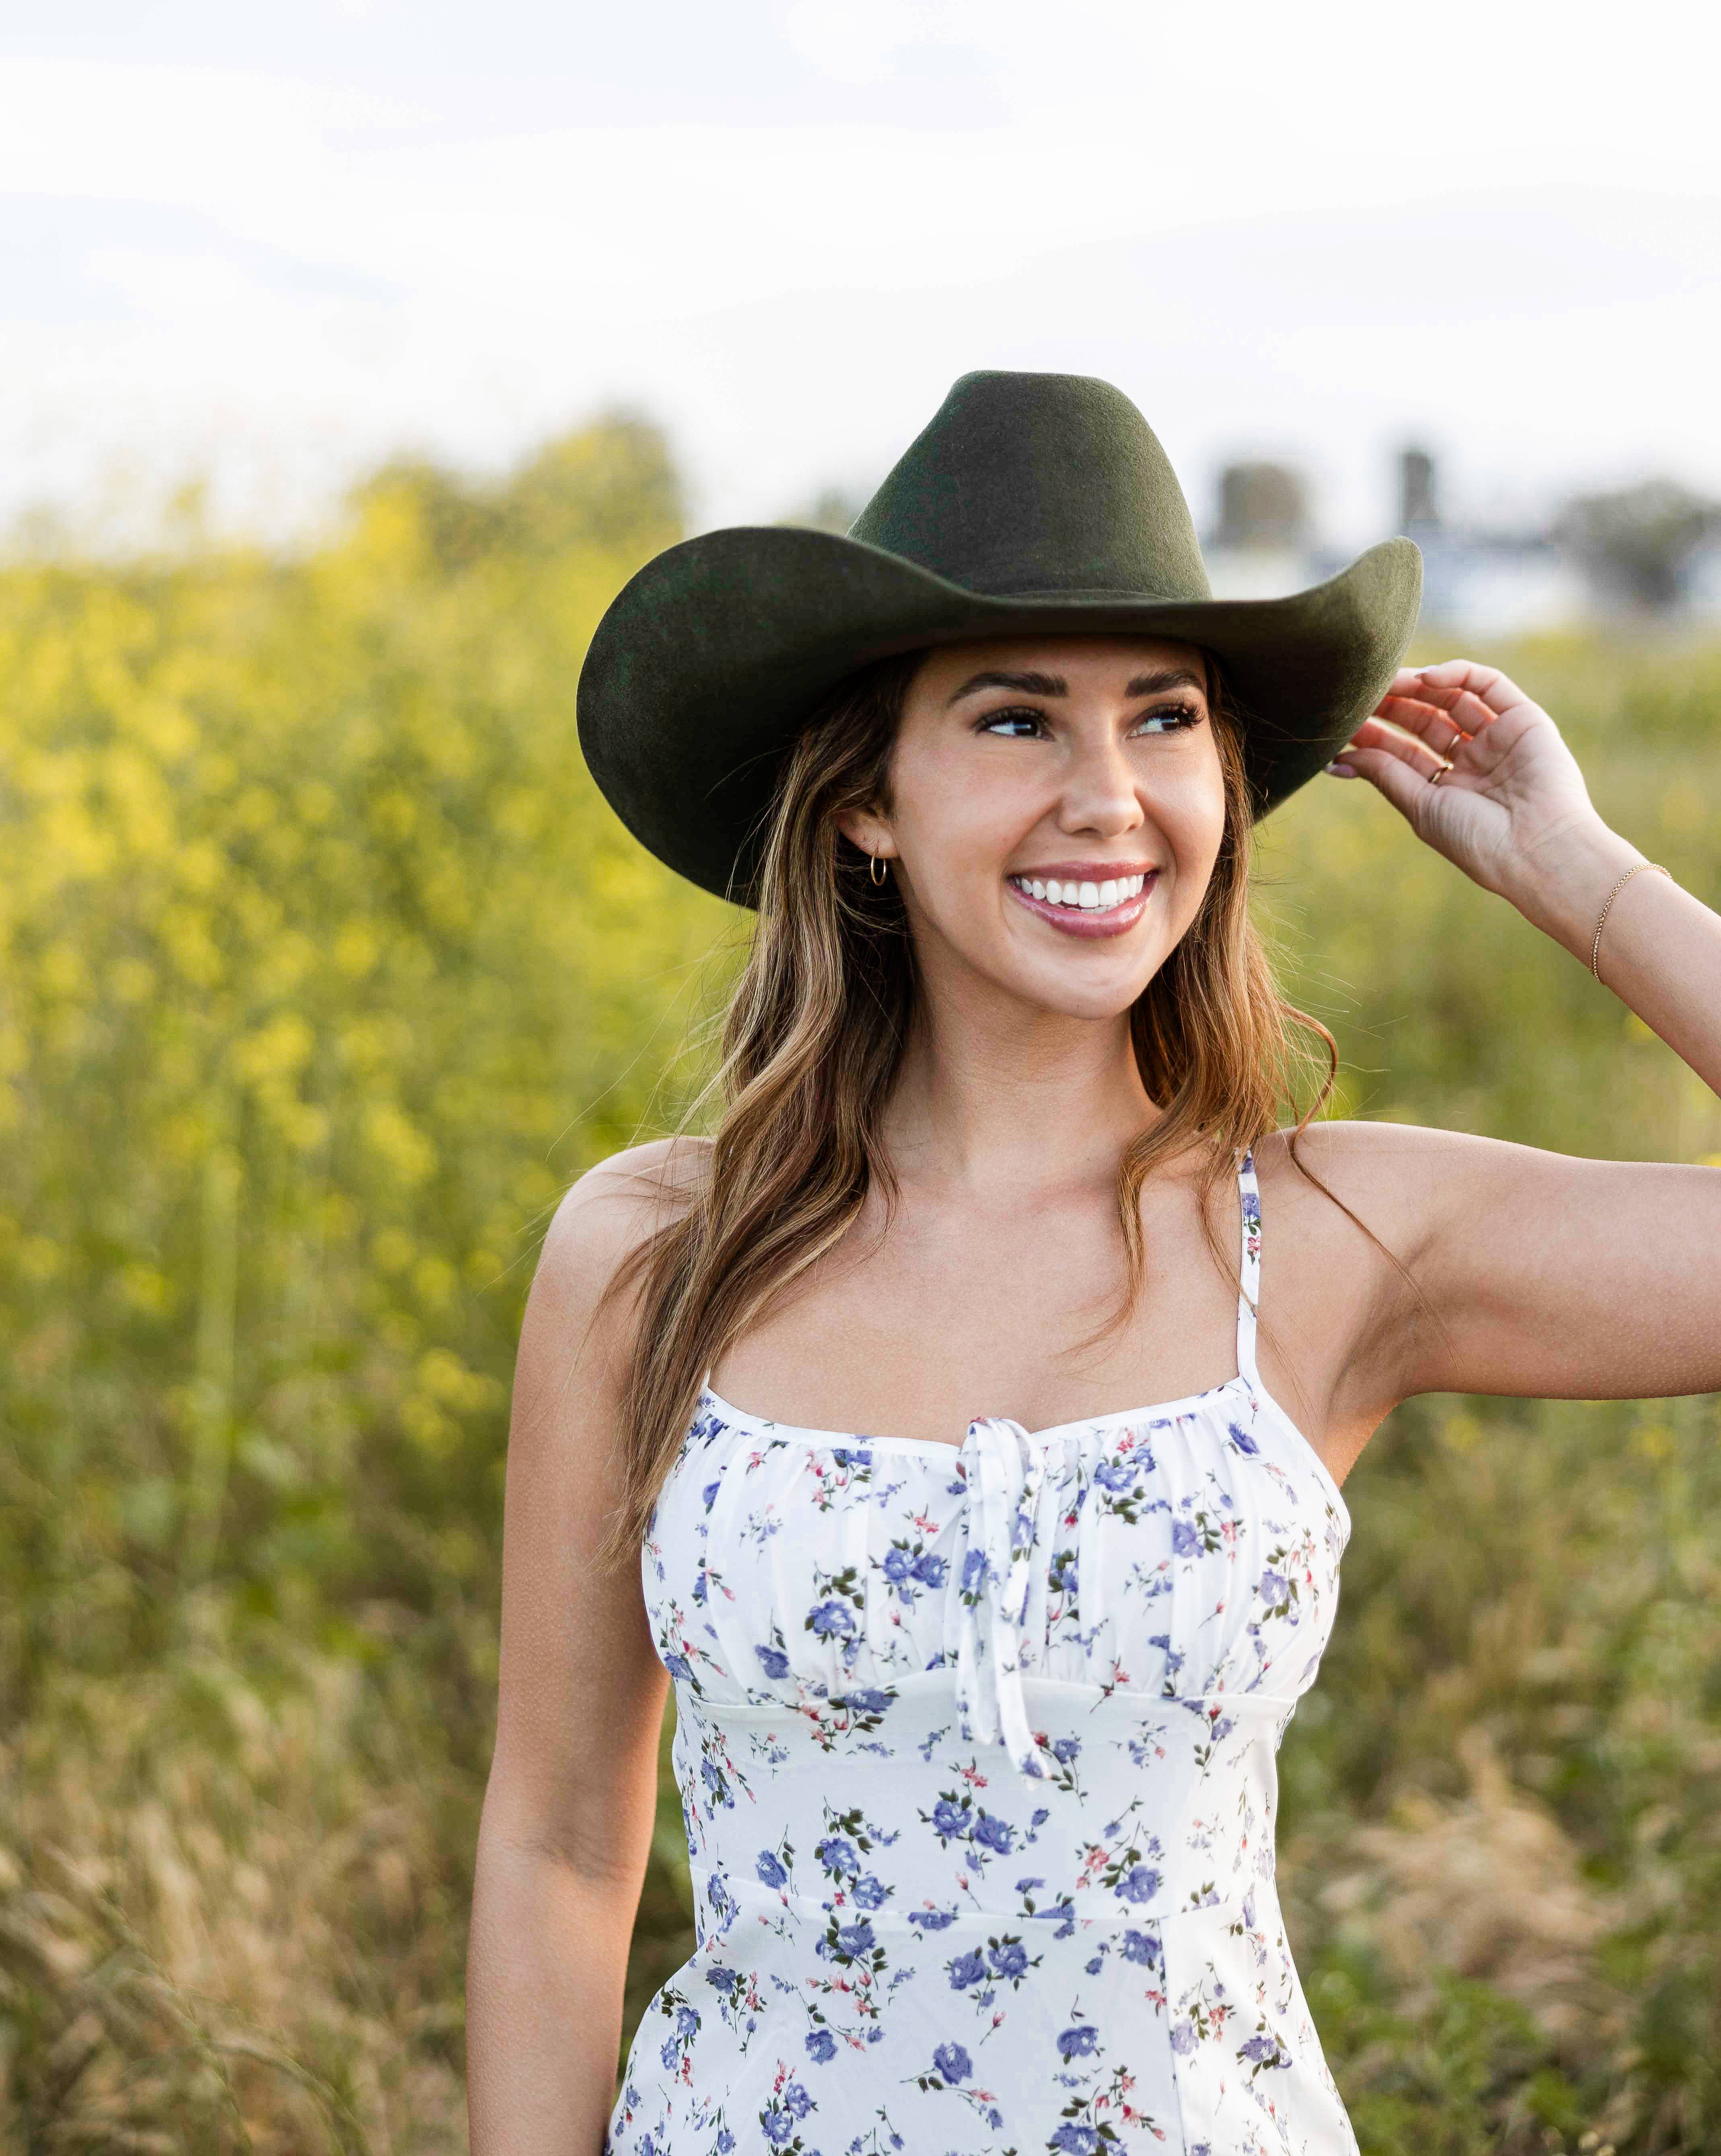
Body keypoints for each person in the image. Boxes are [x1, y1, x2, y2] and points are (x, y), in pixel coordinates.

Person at [465, 369, 1721, 2156]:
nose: (1110, 797)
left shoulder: (1334, 1240)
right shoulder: (655, 1252)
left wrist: (1577, 875)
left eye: (1165, 719)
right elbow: (558, 1847)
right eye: (1016, 721)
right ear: (865, 799)